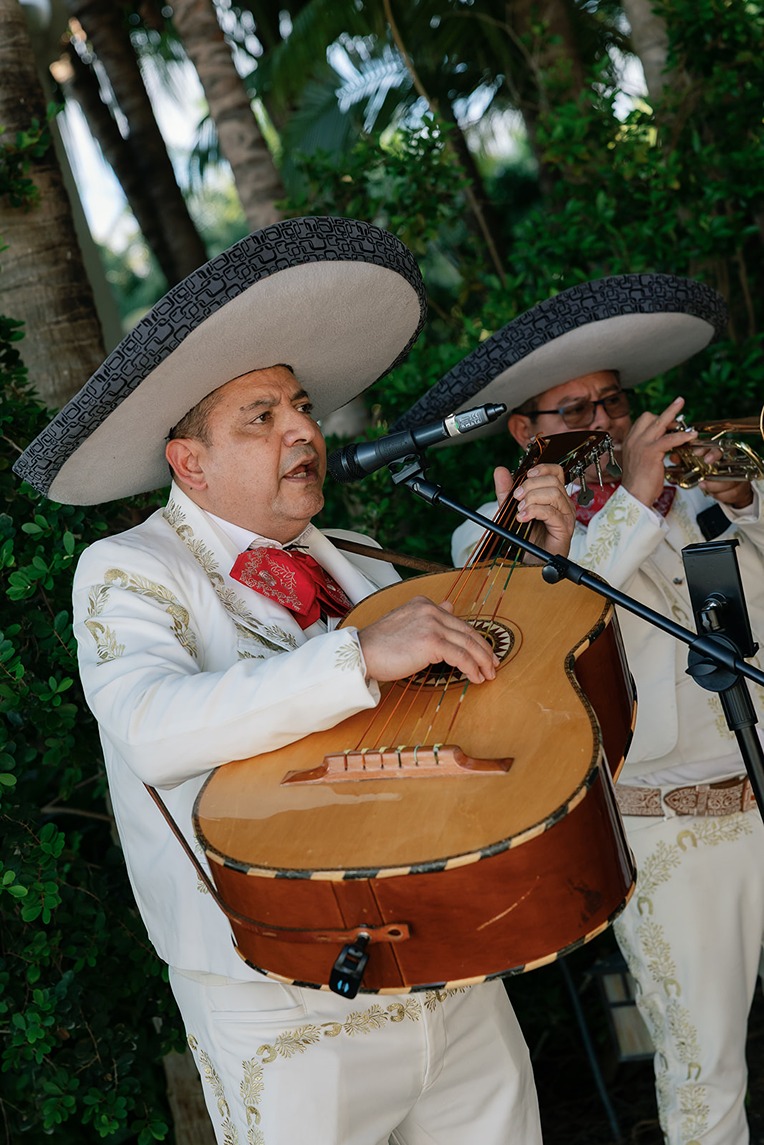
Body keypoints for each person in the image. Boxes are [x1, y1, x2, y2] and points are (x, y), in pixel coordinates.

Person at [14, 217, 576, 1145]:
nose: (305, 429)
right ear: (188, 460)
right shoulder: (128, 570)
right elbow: (150, 726)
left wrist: (524, 576)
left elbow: (443, 711)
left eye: (303, 407)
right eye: (263, 417)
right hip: (272, 997)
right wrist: (356, 658)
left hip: (442, 957)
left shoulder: (356, 558)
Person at [397, 273, 764, 1145]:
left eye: (611, 401)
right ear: (524, 431)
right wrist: (632, 501)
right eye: (573, 410)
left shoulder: (698, 498)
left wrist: (743, 501)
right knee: (703, 1070)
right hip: (670, 830)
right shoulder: (485, 534)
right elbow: (549, 632)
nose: (600, 422)